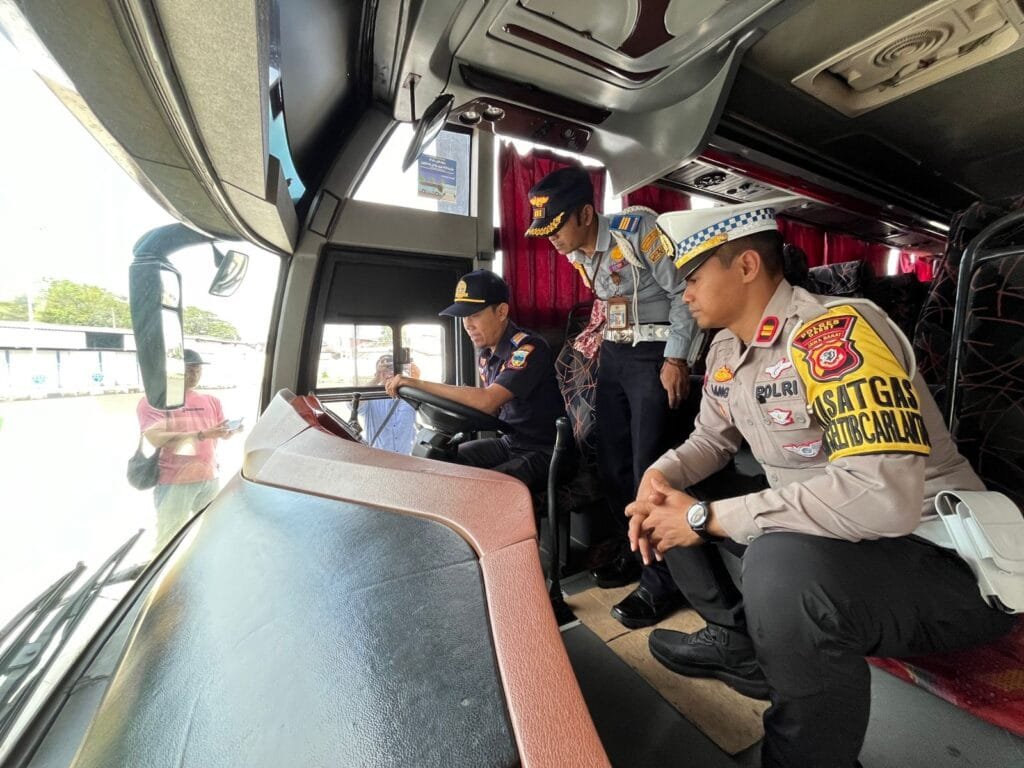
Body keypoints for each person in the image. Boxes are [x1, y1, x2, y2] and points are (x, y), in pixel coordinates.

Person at [625, 200, 1016, 768]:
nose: (681, 293)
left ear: (746, 267)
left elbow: (883, 500)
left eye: (691, 276)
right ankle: (739, 643)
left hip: (945, 558)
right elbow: (711, 440)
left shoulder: (835, 332)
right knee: (672, 501)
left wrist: (703, 520)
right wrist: (660, 476)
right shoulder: (729, 349)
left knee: (778, 564)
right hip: (839, 539)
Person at [525, 165, 701, 627]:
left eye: (556, 227)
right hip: (617, 354)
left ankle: (662, 582)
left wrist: (677, 360)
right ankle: (635, 550)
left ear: (586, 213)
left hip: (656, 354)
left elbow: (685, 292)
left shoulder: (637, 229)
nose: (551, 240)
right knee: (611, 463)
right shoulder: (576, 252)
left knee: (648, 466)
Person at [384, 269, 565, 493]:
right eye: (463, 317)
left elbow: (487, 401)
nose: (467, 324)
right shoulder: (486, 356)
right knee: (443, 464)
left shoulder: (528, 349)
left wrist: (417, 383)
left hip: (544, 451)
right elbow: (483, 408)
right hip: (510, 443)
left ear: (501, 312)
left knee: (481, 492)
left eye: (474, 314)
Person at [137, 349, 241, 550]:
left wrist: (229, 431)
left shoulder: (211, 400)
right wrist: (202, 434)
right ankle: (162, 578)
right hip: (174, 481)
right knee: (168, 541)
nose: (194, 374)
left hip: (209, 477)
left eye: (197, 369)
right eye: (188, 370)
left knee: (212, 533)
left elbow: (218, 433)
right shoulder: (155, 401)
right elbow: (155, 438)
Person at [360, 353, 419, 454]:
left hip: (407, 457)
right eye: (383, 370)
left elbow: (430, 406)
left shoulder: (410, 394)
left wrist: (415, 379)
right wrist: (376, 379)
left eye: (391, 368)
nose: (388, 373)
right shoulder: (370, 397)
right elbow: (353, 404)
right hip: (378, 458)